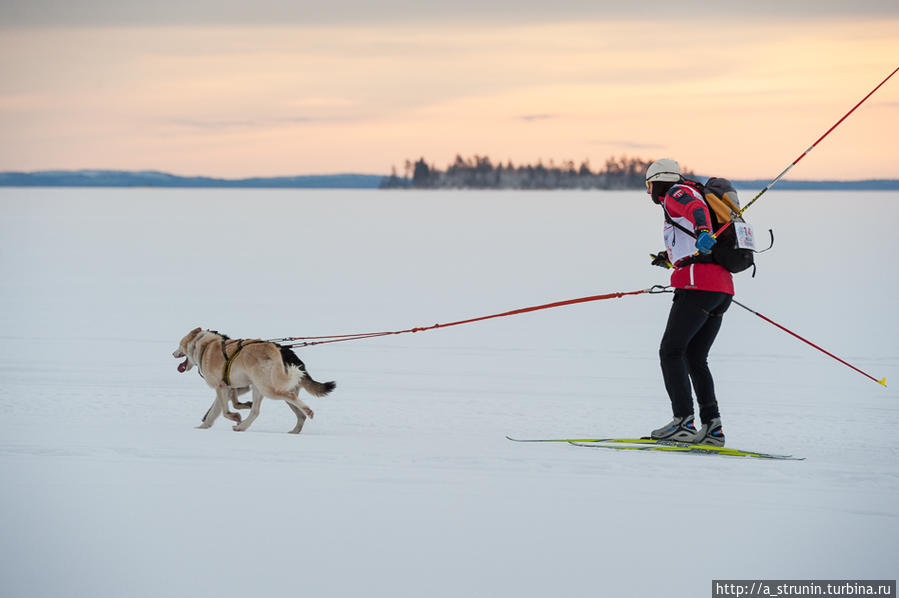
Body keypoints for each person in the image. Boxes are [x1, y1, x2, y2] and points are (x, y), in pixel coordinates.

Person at [645, 158, 732, 446]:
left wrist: (705, 231)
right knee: (695, 357)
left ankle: (682, 421)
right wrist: (669, 259)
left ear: (658, 181)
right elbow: (692, 243)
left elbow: (695, 212)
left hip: (697, 286)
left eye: (649, 186)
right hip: (720, 288)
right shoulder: (688, 194)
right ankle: (712, 428)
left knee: (670, 352)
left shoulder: (676, 193)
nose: (649, 194)